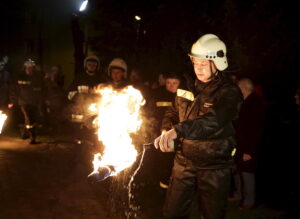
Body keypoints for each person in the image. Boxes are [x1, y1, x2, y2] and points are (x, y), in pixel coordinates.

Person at [154, 34, 243, 219]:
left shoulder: (229, 92)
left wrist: (178, 130)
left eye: (204, 63)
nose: (198, 68)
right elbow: (171, 112)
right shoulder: (186, 86)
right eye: (195, 63)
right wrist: (166, 130)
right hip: (183, 161)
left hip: (214, 165)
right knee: (171, 213)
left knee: (211, 215)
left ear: (217, 63)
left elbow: (213, 121)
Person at [229, 78, 264, 210]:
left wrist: (249, 151)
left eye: (238, 88)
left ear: (244, 88)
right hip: (240, 145)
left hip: (248, 147)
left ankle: (249, 201)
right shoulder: (245, 101)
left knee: (247, 173)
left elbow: (255, 130)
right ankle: (238, 195)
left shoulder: (254, 103)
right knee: (238, 169)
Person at [154, 73, 182, 189]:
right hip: (161, 131)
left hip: (178, 133)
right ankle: (163, 185)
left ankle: (174, 185)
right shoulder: (158, 94)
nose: (171, 86)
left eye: (174, 83)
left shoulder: (183, 97)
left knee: (174, 160)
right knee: (162, 158)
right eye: (168, 83)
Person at [16, 59, 44, 144]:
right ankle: (33, 137)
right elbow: (17, 88)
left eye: (31, 68)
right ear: (25, 68)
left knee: (29, 119)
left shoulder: (37, 77)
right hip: (24, 102)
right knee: (29, 119)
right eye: (28, 68)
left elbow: (40, 88)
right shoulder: (20, 76)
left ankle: (24, 133)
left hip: (33, 102)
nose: (29, 70)